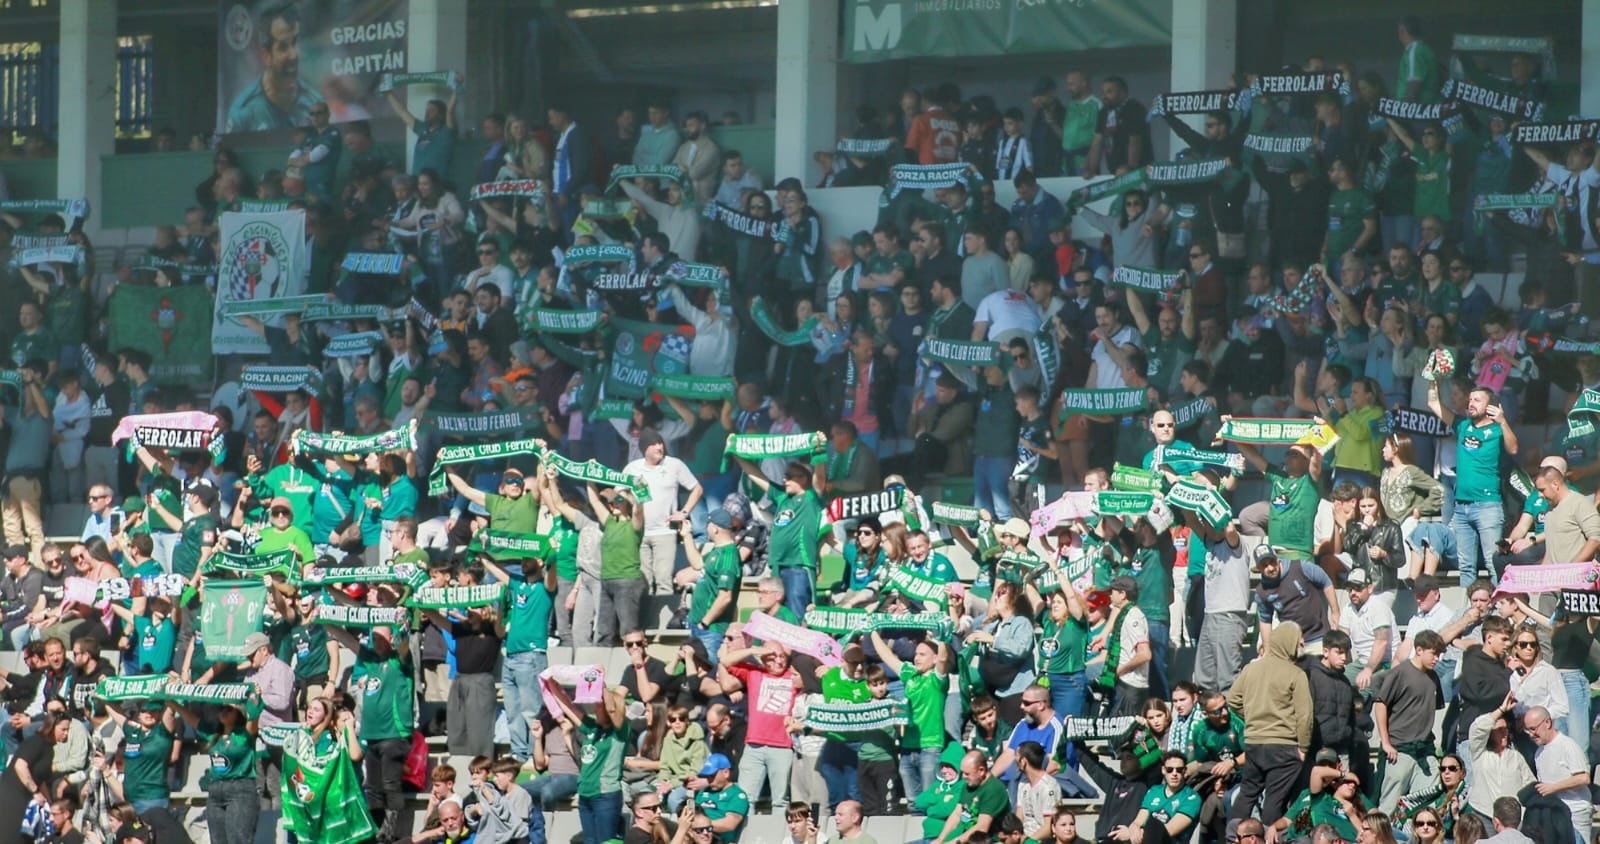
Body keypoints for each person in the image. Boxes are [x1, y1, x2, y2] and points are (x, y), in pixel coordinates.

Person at [1226, 622, 1312, 837]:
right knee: (1275, 798)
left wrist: (1253, 718)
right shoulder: (1296, 674)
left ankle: (1233, 837)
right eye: (1298, 638)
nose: (1301, 642)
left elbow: (1233, 699)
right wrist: (1303, 746)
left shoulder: (1251, 668)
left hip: (1254, 743)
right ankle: (1266, 838)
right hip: (1284, 745)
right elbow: (1305, 715)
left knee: (1247, 794)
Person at [1373, 630, 1446, 814]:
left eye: (1439, 654)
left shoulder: (1433, 678)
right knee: (1389, 806)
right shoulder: (1400, 673)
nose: (1436, 658)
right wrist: (1386, 743)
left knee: (1425, 807)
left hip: (1425, 750)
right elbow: (1381, 704)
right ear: (1419, 650)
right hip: (1399, 749)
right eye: (1433, 653)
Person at [1523, 705, 1591, 844]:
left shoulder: (1567, 745)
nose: (1531, 734)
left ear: (1547, 723)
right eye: (1527, 730)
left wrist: (1553, 788)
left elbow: (1584, 778)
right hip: (1554, 813)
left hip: (1575, 813)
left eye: (1533, 729)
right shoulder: (1539, 753)